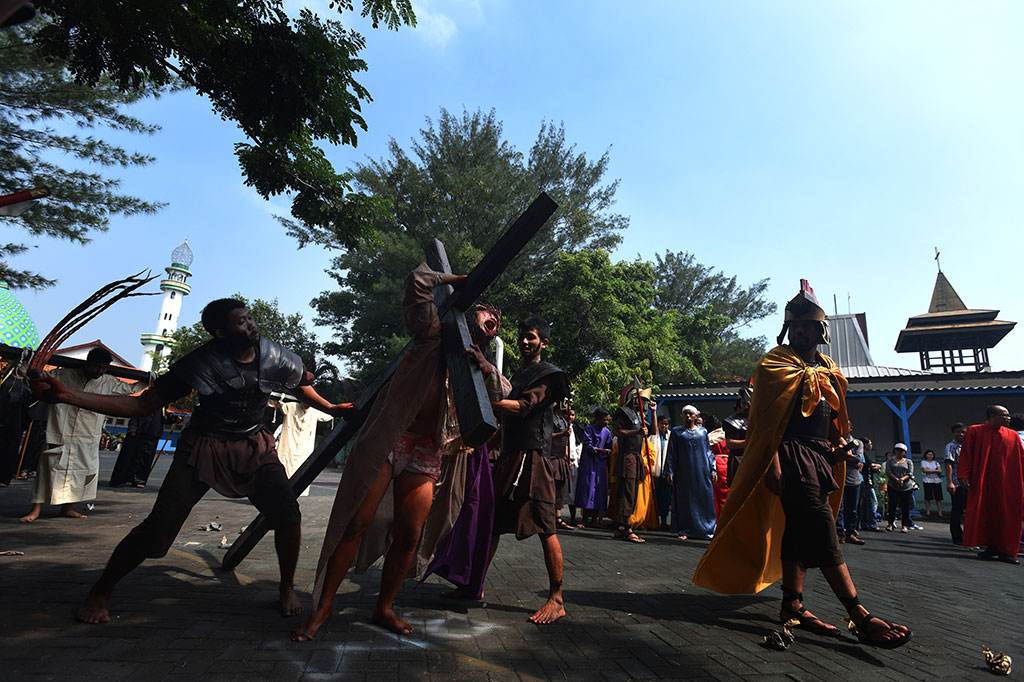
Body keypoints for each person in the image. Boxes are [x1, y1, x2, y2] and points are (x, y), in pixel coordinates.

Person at [28, 300, 349, 623]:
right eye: (241, 322)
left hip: (255, 446)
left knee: (288, 515)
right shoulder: (199, 363)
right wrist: (68, 396)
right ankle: (101, 591)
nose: (250, 325)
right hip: (204, 447)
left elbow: (299, 382)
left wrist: (331, 408)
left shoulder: (273, 354)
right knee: (157, 532)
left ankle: (286, 588)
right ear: (221, 333)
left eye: (250, 319)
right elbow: (141, 405)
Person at [693, 281, 911, 649]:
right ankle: (859, 614)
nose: (800, 331)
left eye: (808, 326)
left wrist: (837, 446)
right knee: (823, 531)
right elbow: (764, 422)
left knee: (797, 531)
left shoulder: (827, 367)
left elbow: (832, 416)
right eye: (795, 325)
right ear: (787, 328)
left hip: (818, 457)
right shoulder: (775, 363)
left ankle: (792, 605)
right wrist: (772, 461)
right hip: (788, 455)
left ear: (820, 331)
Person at [294, 265, 501, 640]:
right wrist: (456, 281)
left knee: (410, 534)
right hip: (392, 438)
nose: (495, 320)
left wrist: (485, 368)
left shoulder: (477, 366)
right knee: (356, 523)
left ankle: (384, 607)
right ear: (469, 314)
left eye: (498, 320)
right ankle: (323, 606)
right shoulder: (432, 332)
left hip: (426, 450)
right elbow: (418, 280)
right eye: (488, 313)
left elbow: (500, 397)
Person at [489, 315, 570, 623]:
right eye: (522, 336)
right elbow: (507, 422)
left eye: (531, 337)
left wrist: (488, 401)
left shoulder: (549, 376)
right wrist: (479, 444)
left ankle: (557, 599)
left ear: (543, 343)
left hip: (534, 460)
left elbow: (523, 407)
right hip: (509, 458)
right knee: (492, 524)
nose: (524, 341)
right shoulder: (518, 375)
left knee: (546, 528)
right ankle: (473, 585)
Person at [21, 348, 146, 522]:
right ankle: (35, 509)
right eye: (96, 367)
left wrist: (151, 380)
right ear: (87, 363)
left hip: (88, 435)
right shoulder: (63, 376)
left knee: (79, 474)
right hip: (61, 431)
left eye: (103, 368)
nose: (99, 371)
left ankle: (68, 508)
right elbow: (37, 376)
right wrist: (27, 360)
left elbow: (131, 389)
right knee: (47, 470)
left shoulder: (108, 382)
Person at [959, 405, 1024, 564]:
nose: (1009, 418)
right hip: (983, 481)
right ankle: (991, 547)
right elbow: (966, 454)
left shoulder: (1012, 436)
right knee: (986, 514)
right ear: (992, 416)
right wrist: (963, 476)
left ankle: (1007, 551)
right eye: (1005, 415)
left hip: (1007, 483)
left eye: (1008, 415)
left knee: (1007, 515)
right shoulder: (975, 432)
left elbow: (1021, 458)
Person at [664, 405, 716, 541]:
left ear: (695, 416)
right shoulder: (676, 432)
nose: (688, 416)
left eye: (690, 414)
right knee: (685, 501)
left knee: (704, 499)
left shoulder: (703, 432)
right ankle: (684, 529)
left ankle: (707, 529)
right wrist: (669, 471)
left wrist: (713, 468)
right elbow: (671, 453)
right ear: (681, 416)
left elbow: (708, 452)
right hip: (684, 472)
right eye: (685, 414)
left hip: (702, 471)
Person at [610, 383, 653, 543]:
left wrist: (654, 413)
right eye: (642, 400)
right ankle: (627, 528)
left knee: (632, 492)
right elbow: (618, 431)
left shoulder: (639, 415)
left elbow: (652, 431)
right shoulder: (624, 412)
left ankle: (620, 527)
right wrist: (637, 431)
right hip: (627, 457)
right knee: (627, 492)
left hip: (636, 458)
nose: (644, 403)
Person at [272, 397, 334, 496]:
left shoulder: (314, 412)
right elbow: (277, 403)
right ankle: (279, 493)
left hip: (304, 448)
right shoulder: (292, 406)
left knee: (300, 470)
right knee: (284, 469)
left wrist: (335, 409)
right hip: (288, 446)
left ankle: (291, 494)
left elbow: (329, 414)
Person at [108, 407, 179, 488]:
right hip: (139, 431)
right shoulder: (146, 399)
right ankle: (120, 479)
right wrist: (133, 429)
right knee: (128, 456)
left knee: (145, 458)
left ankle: (138, 480)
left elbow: (163, 418)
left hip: (152, 434)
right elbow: (136, 414)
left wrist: (174, 418)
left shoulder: (162, 406)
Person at [574, 407, 612, 528]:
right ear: (598, 419)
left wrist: (606, 453)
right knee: (587, 489)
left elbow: (609, 447)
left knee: (600, 491)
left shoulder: (607, 432)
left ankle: (595, 520)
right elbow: (588, 445)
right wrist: (601, 450)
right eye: (605, 420)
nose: (606, 422)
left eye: (608, 420)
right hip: (589, 463)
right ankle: (584, 520)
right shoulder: (589, 429)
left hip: (600, 464)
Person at [837, 423, 865, 545]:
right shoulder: (834, 441)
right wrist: (851, 460)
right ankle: (839, 533)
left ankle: (851, 533)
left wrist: (841, 455)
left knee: (852, 509)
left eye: (847, 424)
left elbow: (858, 458)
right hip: (839, 479)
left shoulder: (858, 443)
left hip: (854, 480)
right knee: (839, 508)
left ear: (851, 428)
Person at [944, 422, 968, 546]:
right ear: (954, 433)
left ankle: (969, 536)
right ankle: (957, 537)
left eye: (963, 432)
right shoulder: (951, 446)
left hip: (970, 483)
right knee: (957, 511)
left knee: (969, 511)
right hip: (957, 483)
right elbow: (949, 464)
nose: (961, 434)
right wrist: (950, 482)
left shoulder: (969, 445)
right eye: (958, 432)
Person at [723, 387, 751, 486]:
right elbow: (729, 443)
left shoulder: (759, 420)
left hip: (756, 459)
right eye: (743, 404)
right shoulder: (733, 421)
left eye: (748, 403)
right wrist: (749, 442)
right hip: (739, 461)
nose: (746, 407)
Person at [885, 444, 915, 533]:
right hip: (893, 485)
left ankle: (904, 525)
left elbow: (910, 473)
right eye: (897, 450)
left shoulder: (908, 462)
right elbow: (888, 472)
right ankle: (890, 523)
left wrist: (902, 479)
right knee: (892, 504)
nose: (899, 452)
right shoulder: (890, 461)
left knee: (905, 506)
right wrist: (896, 479)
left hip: (906, 487)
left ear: (904, 452)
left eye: (901, 451)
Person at [649, 415, 672, 529]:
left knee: (665, 498)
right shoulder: (653, 436)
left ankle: (663, 521)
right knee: (653, 497)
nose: (664, 426)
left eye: (666, 424)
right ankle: (654, 521)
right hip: (654, 472)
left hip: (666, 472)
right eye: (662, 423)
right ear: (658, 424)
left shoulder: (671, 436)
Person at [857, 438, 882, 532]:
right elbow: (872, 465)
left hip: (866, 481)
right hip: (866, 482)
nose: (871, 446)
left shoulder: (865, 455)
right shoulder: (862, 454)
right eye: (870, 444)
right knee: (872, 503)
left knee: (865, 504)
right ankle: (872, 524)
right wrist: (878, 466)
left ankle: (864, 523)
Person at [919, 449, 943, 519]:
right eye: (929, 454)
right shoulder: (923, 462)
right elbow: (925, 470)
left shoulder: (936, 462)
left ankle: (940, 512)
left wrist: (931, 471)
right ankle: (928, 511)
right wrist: (936, 471)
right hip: (927, 480)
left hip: (936, 480)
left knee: (938, 497)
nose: (930, 456)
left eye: (931, 454)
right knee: (928, 496)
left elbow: (940, 470)